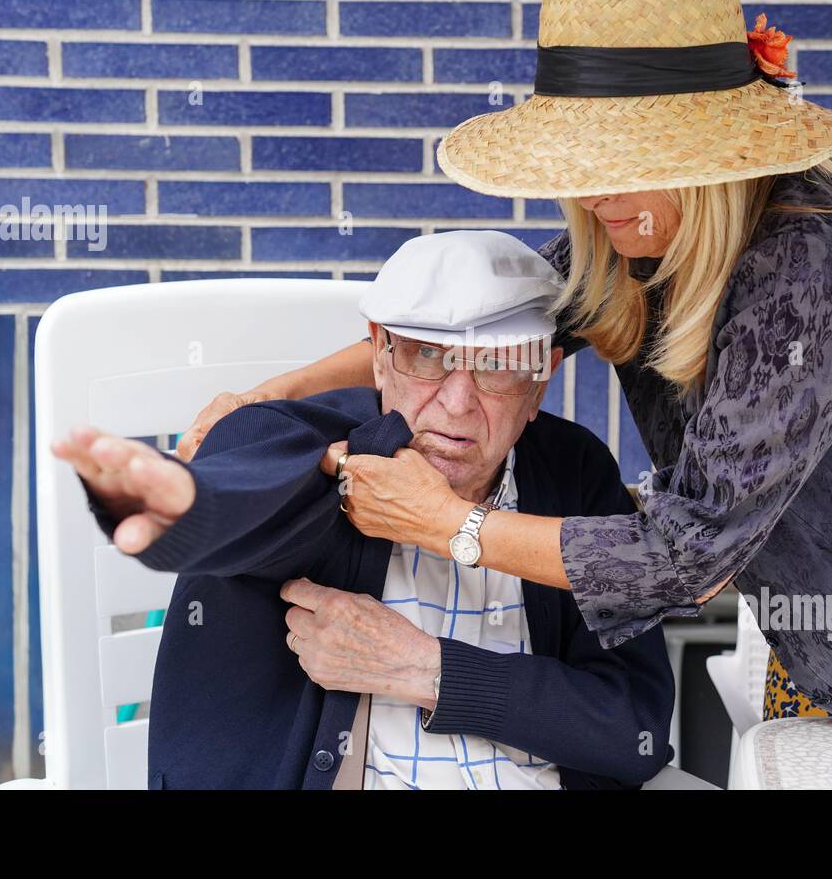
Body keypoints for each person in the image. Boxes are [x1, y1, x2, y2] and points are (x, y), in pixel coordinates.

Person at [176, 0, 832, 739]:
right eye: (584, 164)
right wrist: (268, 395)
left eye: (634, 163)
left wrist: (445, 525)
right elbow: (487, 329)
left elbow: (688, 555)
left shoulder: (819, 261)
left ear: (716, 152)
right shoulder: (630, 230)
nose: (600, 195)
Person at [52, 230, 675, 789]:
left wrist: (428, 669)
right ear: (379, 355)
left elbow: (632, 729)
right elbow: (241, 506)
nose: (457, 403)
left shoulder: (574, 472)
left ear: (542, 379)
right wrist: (178, 506)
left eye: (499, 365)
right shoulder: (310, 446)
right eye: (428, 356)